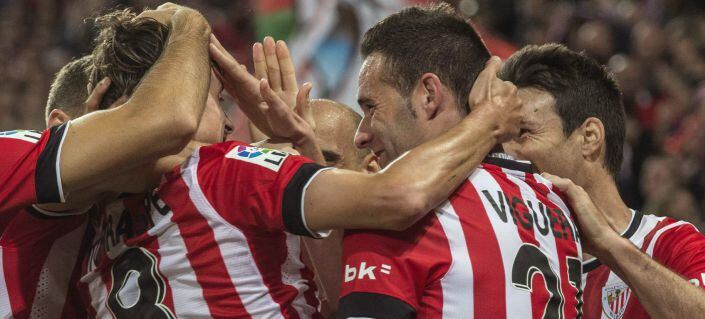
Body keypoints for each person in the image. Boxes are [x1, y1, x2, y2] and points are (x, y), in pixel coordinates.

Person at [76, 6, 523, 318]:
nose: (231, 123)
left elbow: (334, 295)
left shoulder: (86, 212)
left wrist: (300, 142)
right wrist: (489, 119)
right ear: (177, 106)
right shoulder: (221, 170)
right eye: (217, 100)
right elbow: (399, 195)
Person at [337, 4, 581, 318]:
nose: (361, 134)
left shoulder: (392, 208)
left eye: (371, 108)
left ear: (428, 95)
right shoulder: (554, 205)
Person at [499, 43, 705, 319]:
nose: (507, 152)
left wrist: (609, 245)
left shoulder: (669, 243)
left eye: (523, 133)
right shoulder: (499, 256)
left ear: (590, 137)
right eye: (501, 139)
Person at [0, 4, 213, 318]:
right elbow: (172, 122)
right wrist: (190, 24)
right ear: (60, 126)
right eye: (125, 121)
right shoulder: (8, 154)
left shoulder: (130, 209)